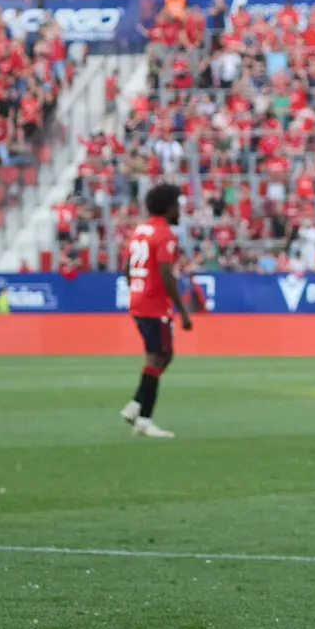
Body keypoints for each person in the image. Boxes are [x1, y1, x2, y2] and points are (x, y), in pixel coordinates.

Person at [119, 183, 192, 438]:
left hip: (138, 300)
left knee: (164, 354)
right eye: (177, 205)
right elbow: (166, 274)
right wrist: (183, 311)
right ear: (168, 207)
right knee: (157, 357)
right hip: (154, 304)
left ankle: (136, 404)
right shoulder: (165, 234)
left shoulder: (141, 230)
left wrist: (137, 290)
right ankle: (144, 420)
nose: (180, 211)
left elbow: (127, 268)